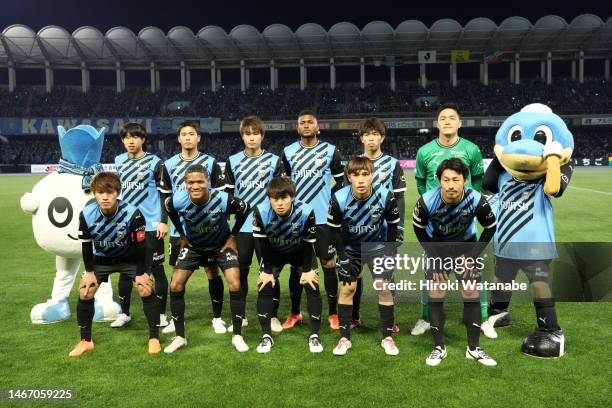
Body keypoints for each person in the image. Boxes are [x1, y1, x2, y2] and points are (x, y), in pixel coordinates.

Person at [413, 158, 497, 366]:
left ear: (465, 181)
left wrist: (472, 256)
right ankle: (439, 348)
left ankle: (474, 348)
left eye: (456, 180)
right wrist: (434, 256)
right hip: (437, 248)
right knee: (436, 292)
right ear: (439, 181)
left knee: (471, 293)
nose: (451, 185)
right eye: (446, 180)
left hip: (466, 248)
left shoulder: (478, 200)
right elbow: (418, 228)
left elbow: (490, 227)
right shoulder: (426, 201)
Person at [412, 103, 486, 337]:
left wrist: (469, 205)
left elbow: (477, 180)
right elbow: (421, 182)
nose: (446, 121)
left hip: (465, 219)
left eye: (452, 118)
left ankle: (479, 318)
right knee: (432, 272)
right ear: (437, 123)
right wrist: (431, 203)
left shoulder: (471, 149)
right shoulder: (424, 151)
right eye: (442, 118)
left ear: (459, 123)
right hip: (436, 224)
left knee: (473, 268)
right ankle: (426, 317)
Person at [70, 172, 160, 357]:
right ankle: (85, 341)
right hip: (101, 260)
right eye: (100, 192)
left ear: (117, 193)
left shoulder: (133, 214)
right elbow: (86, 246)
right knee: (85, 291)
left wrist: (142, 273)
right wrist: (89, 272)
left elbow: (141, 246)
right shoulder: (86, 214)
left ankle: (154, 338)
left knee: (145, 288)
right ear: (94, 193)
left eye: (109, 192)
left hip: (130, 259)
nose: (105, 197)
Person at [163, 165, 250, 353]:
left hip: (221, 246)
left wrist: (233, 236)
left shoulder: (222, 200)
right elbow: (168, 209)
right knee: (175, 285)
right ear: (185, 184)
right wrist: (181, 234)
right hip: (194, 246)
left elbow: (245, 208)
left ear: (208, 183)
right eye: (191, 182)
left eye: (200, 182)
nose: (195, 186)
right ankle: (180, 337)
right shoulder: (177, 200)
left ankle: (237, 335)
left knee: (235, 283)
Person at [328, 157, 401, 356]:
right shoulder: (339, 197)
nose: (361, 180)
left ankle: (387, 337)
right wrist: (342, 255)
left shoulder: (385, 196)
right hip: (351, 248)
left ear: (372, 175)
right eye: (355, 175)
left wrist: (389, 251)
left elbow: (393, 225)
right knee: (348, 288)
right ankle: (344, 338)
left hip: (377, 247)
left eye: (365, 174)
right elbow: (333, 231)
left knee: (383, 288)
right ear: (349, 177)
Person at [280, 110, 344, 330]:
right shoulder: (288, 152)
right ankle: (295, 312)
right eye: (302, 123)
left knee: (328, 264)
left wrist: (329, 199)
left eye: (310, 122)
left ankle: (333, 313)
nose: (306, 125)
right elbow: (284, 184)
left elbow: (342, 181)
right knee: (296, 267)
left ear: (318, 127)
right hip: (297, 219)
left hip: (323, 220)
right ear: (297, 128)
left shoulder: (330, 151)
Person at [163, 121, 227, 335]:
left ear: (199, 137)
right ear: (179, 138)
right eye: (184, 134)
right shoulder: (169, 163)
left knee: (212, 270)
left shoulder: (211, 162)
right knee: (177, 273)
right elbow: (166, 198)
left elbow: (220, 196)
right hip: (179, 231)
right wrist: (166, 221)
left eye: (192, 134)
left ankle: (217, 318)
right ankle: (175, 319)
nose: (188, 137)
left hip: (208, 230)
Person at [225, 116, 284, 333]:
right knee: (240, 273)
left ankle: (273, 316)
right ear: (242, 136)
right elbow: (228, 198)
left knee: (270, 273)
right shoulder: (232, 161)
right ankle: (241, 316)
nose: (252, 137)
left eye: (255, 133)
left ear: (262, 135)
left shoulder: (274, 161)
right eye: (247, 134)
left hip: (267, 228)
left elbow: (280, 194)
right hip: (241, 228)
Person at [252, 177, 322, 353]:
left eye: (284, 198)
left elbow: (308, 244)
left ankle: (314, 336)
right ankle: (266, 336)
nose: (280, 203)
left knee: (312, 285)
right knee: (265, 285)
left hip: (300, 252)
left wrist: (307, 270)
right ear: (269, 199)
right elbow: (263, 244)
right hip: (274, 252)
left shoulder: (306, 212)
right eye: (275, 199)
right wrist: (267, 271)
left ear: (292, 197)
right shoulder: (260, 212)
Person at [348, 117, 406, 331]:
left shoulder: (393, 164)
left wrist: (398, 229)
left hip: (384, 231)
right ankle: (354, 317)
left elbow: (399, 198)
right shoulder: (355, 164)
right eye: (367, 134)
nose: (371, 138)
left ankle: (390, 321)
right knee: (355, 275)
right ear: (361, 138)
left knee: (386, 277)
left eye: (375, 134)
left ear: (382, 137)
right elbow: (347, 198)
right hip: (358, 231)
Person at [112, 123, 169, 329]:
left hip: (152, 225)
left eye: (135, 137)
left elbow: (164, 194)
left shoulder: (155, 162)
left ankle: (161, 315)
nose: (131, 141)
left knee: (157, 270)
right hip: (127, 225)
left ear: (142, 139)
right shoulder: (118, 161)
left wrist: (163, 220)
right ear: (122, 140)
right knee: (125, 271)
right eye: (127, 138)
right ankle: (125, 313)